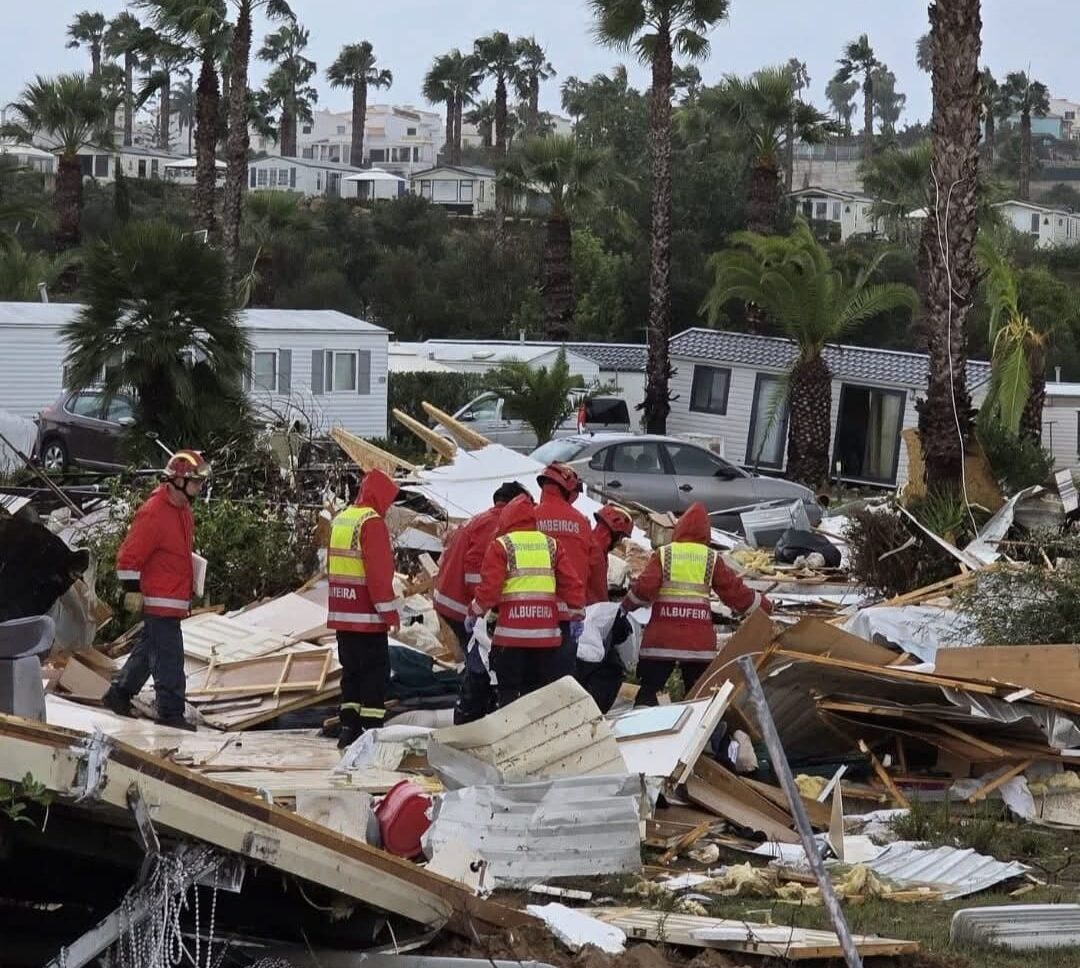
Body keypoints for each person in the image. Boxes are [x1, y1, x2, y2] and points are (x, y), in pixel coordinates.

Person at [622, 502, 771, 707]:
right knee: (699, 698)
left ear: (680, 527)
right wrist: (763, 605)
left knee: (648, 693)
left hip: (662, 640)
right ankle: (698, 735)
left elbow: (645, 588)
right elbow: (734, 592)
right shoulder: (711, 558)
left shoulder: (665, 553)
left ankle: (639, 734)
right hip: (697, 645)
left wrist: (626, 606)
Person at [103, 449, 210, 729]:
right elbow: (129, 556)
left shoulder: (182, 510)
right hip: (160, 600)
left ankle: (119, 694)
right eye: (196, 481)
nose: (200, 487)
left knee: (148, 651)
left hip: (173, 597)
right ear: (178, 481)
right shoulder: (153, 513)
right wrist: (132, 589)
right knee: (169, 659)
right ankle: (170, 712)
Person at [468, 494, 585, 707]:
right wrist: (577, 614)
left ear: (507, 520)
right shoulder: (552, 545)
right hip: (545, 638)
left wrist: (474, 611)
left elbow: (490, 590)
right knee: (537, 693)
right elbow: (571, 583)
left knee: (509, 694)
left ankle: (510, 734)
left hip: (511, 637)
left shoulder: (502, 546)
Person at [432, 481, 531, 724]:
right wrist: (484, 607)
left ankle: (475, 713)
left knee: (480, 661)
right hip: (461, 606)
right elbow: (476, 568)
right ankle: (470, 717)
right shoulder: (495, 523)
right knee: (481, 663)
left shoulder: (481, 519)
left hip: (450, 599)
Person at [326, 469, 403, 748]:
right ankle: (371, 733)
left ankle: (348, 729)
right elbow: (378, 575)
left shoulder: (342, 519)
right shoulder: (372, 523)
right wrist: (391, 614)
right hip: (368, 618)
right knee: (374, 676)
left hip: (342, 616)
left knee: (351, 675)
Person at [534, 462, 597, 674]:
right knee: (562, 683)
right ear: (568, 489)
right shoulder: (581, 522)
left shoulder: (529, 518)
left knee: (532, 683)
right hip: (569, 616)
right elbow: (592, 569)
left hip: (532, 614)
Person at [587, 503, 635, 604]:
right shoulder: (596, 553)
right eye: (621, 537)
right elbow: (597, 593)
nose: (620, 542)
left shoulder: (591, 544)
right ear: (614, 533)